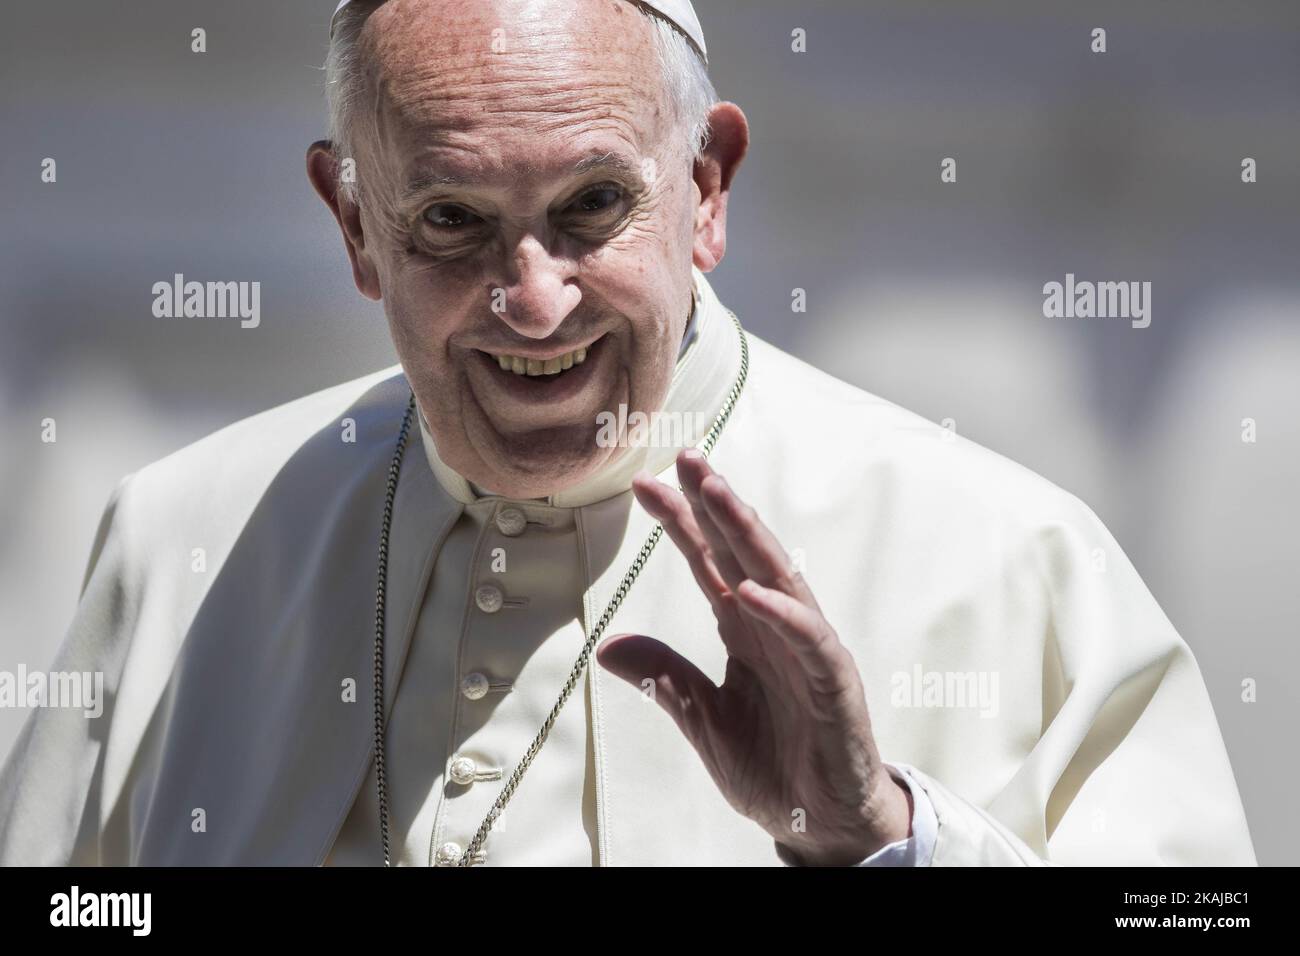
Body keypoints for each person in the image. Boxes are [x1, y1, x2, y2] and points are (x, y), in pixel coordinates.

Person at [0, 0, 1255, 866]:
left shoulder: (1014, 552)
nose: (532, 299)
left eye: (592, 204)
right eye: (449, 218)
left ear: (706, 187)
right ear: (352, 224)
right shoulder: (182, 540)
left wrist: (881, 835)